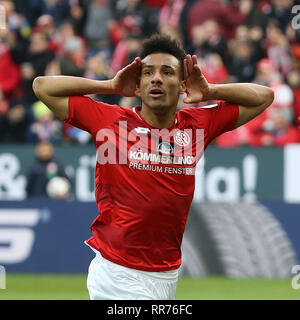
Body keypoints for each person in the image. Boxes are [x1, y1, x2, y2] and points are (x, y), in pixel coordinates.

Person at [32, 34, 274, 300]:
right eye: (148, 73)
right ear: (139, 85)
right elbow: (43, 86)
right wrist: (111, 85)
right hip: (117, 272)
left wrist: (210, 91)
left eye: (167, 72)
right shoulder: (109, 121)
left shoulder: (197, 125)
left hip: (167, 274)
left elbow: (264, 96)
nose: (156, 78)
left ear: (182, 84)